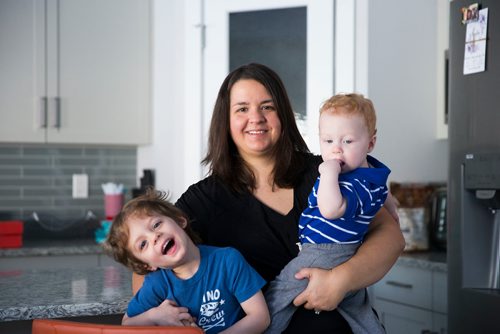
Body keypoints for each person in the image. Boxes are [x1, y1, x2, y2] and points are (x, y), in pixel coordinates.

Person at [133, 63, 405, 333]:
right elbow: (150, 266)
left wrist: (341, 280)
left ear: (283, 115)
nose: (256, 118)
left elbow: (390, 236)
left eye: (267, 107)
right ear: (225, 122)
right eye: (242, 109)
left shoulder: (326, 172)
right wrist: (162, 314)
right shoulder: (202, 201)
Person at [264, 93, 389, 334]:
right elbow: (387, 198)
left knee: (278, 295)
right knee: (356, 307)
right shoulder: (373, 176)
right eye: (328, 141)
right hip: (351, 249)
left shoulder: (349, 182)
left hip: (322, 252)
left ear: (370, 143)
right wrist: (391, 207)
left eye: (348, 142)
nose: (336, 151)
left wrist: (328, 174)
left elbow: (331, 210)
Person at [105, 189, 270, 334]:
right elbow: (126, 324)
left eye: (156, 224)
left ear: (179, 220)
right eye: (143, 244)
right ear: (147, 265)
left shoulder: (228, 261)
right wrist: (155, 316)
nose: (154, 237)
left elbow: (260, 317)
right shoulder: (156, 284)